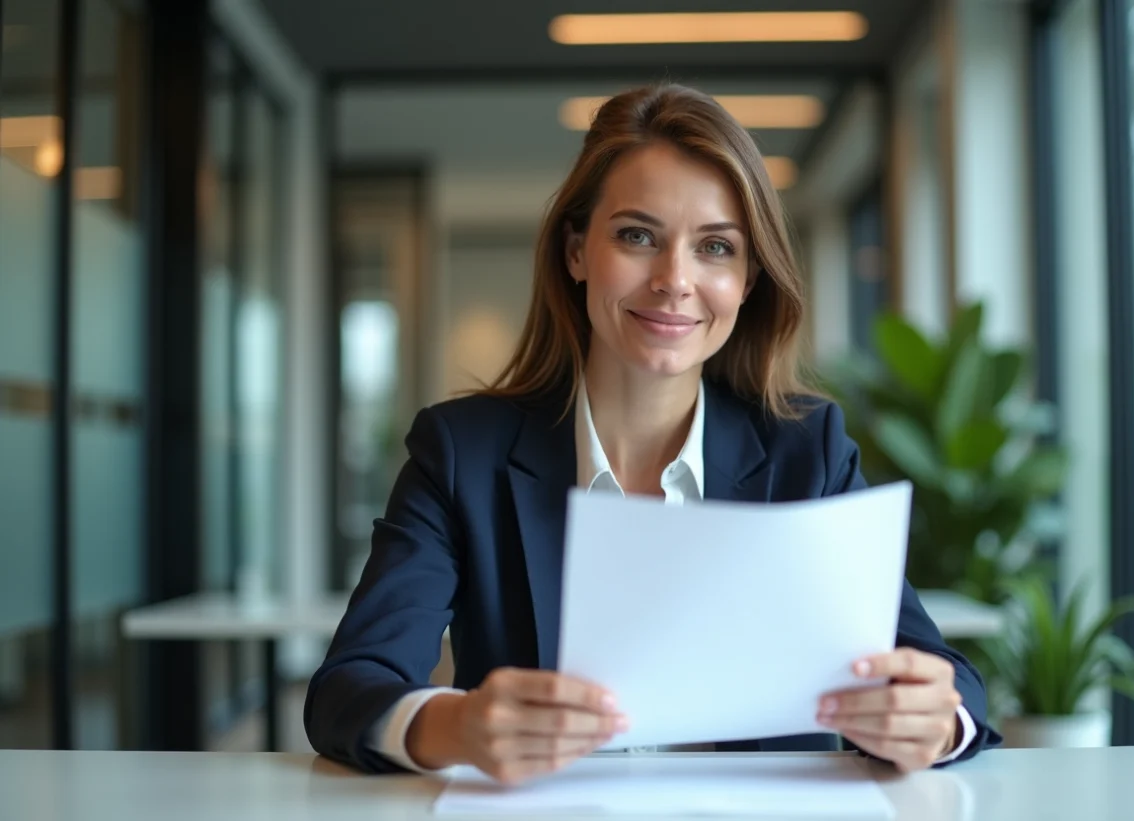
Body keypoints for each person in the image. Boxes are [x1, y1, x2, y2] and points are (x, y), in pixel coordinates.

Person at [304, 83, 1000, 783]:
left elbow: (949, 684)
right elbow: (349, 687)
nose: (675, 280)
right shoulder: (463, 454)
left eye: (716, 247)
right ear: (577, 251)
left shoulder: (806, 452)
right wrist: (457, 725)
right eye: (637, 236)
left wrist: (933, 722)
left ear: (748, 279)